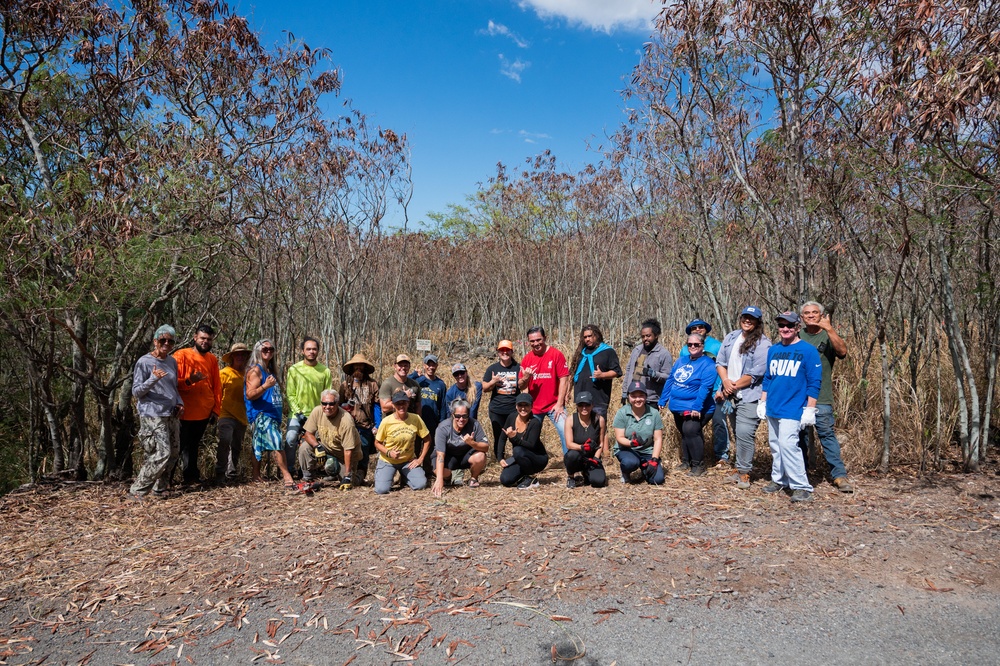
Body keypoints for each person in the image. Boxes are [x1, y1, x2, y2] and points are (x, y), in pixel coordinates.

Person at [758, 311, 822, 502]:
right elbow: (768, 378)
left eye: (789, 326)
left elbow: (814, 382)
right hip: (773, 406)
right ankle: (779, 480)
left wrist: (810, 408)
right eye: (781, 325)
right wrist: (762, 401)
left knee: (788, 445)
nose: (785, 329)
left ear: (797, 328)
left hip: (793, 407)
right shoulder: (774, 350)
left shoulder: (808, 351)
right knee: (776, 446)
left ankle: (802, 486)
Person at [798, 301, 854, 493]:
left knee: (827, 436)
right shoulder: (797, 337)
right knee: (800, 438)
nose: (811, 315)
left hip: (822, 397)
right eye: (807, 313)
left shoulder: (828, 335)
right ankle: (801, 474)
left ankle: (839, 476)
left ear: (821, 315)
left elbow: (842, 352)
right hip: (799, 398)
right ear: (802, 317)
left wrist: (829, 329)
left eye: (815, 312)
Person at [715, 306, 771, 489]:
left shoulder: (763, 343)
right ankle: (739, 469)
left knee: (745, 433)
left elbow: (757, 373)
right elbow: (720, 362)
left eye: (752, 318)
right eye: (745, 317)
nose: (747, 321)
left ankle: (744, 472)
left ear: (758, 322)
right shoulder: (731, 337)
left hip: (749, 395)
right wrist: (725, 381)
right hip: (731, 395)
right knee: (737, 432)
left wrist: (733, 386)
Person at [129, 325, 184, 499]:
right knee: (162, 452)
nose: (166, 344)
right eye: (162, 340)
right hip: (152, 412)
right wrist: (153, 379)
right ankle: (138, 490)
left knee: (174, 453)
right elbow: (136, 391)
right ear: (155, 341)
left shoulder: (171, 361)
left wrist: (180, 403)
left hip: (171, 412)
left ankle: (159, 489)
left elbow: (173, 387)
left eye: (170, 341)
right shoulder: (144, 362)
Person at [659, 333, 718, 476]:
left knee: (691, 430)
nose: (692, 347)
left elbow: (705, 388)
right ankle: (687, 461)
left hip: (697, 407)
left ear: (702, 346)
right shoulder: (681, 361)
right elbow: (671, 380)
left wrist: (697, 407)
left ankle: (699, 465)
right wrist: (663, 399)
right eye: (689, 344)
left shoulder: (708, 364)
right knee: (685, 432)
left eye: (696, 344)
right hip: (677, 406)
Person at [174, 324, 222, 486]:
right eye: (202, 338)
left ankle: (191, 477)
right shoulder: (181, 356)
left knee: (193, 446)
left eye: (208, 339)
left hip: (203, 411)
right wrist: (189, 381)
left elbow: (217, 386)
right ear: (195, 337)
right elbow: (172, 383)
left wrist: (216, 409)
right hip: (183, 411)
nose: (205, 341)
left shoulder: (212, 359)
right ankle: (166, 479)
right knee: (177, 446)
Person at [244, 339, 295, 487]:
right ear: (257, 351)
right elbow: (250, 394)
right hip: (262, 415)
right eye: (264, 349)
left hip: (273, 415)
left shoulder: (269, 370)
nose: (268, 352)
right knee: (277, 443)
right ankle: (287, 476)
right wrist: (265, 386)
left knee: (258, 445)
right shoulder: (255, 371)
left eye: (271, 349)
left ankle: (256, 475)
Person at [679, 319, 728, 467]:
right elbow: (683, 371)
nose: (698, 329)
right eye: (694, 327)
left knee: (719, 423)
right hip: (695, 394)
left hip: (716, 393)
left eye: (701, 327)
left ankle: (722, 456)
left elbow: (725, 367)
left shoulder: (717, 346)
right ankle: (696, 457)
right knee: (693, 425)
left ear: (706, 329)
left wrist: (721, 389)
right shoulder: (685, 349)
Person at [518, 326, 570, 453]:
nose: (536, 343)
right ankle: (531, 465)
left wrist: (560, 404)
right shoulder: (527, 359)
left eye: (538, 340)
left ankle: (571, 466)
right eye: (532, 341)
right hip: (534, 408)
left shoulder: (556, 355)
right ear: (528, 342)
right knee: (527, 437)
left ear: (545, 338)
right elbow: (520, 386)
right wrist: (526, 377)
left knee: (567, 431)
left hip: (554, 405)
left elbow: (564, 378)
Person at [285, 337, 332, 475]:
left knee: (322, 441)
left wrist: (322, 413)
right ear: (302, 351)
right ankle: (289, 471)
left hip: (318, 415)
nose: (311, 352)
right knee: (291, 438)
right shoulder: (294, 370)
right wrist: (298, 412)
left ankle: (318, 470)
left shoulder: (325, 371)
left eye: (314, 349)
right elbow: (290, 394)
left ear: (318, 351)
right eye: (308, 349)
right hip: (296, 414)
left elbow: (327, 395)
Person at [298, 389, 361, 488]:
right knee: (304, 447)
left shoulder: (346, 421)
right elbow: (308, 434)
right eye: (324, 403)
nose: (327, 407)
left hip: (344, 455)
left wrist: (347, 476)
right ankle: (308, 477)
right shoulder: (317, 411)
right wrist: (317, 446)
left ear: (337, 404)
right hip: (327, 448)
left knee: (350, 483)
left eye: (331, 404)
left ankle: (358, 473)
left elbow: (348, 450)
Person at [373, 392, 431, 494]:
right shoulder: (386, 421)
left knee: (420, 485)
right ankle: (387, 475)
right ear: (393, 405)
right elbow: (377, 443)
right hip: (388, 461)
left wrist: (420, 459)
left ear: (408, 403)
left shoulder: (415, 418)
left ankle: (405, 476)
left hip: (408, 461)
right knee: (381, 490)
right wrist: (389, 452)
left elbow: (427, 439)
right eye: (398, 403)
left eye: (404, 403)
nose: (401, 406)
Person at [432, 399, 489, 496]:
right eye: (458, 416)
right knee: (439, 471)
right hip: (448, 457)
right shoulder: (443, 428)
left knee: (480, 456)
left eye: (465, 416)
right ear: (452, 414)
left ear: (468, 414)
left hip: (465, 457)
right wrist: (439, 479)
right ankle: (447, 478)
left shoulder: (474, 424)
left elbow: (486, 447)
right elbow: (440, 455)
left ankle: (473, 479)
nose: (461, 419)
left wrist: (472, 443)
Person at [339, 352, 381, 483]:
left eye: (361, 366)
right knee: (348, 449)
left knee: (363, 450)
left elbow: (377, 406)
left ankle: (360, 475)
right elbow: (339, 405)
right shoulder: (345, 385)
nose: (358, 369)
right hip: (349, 424)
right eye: (355, 366)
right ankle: (347, 473)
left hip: (366, 425)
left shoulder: (372, 384)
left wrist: (378, 425)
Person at [613, 381, 666, 484]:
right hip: (627, 449)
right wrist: (632, 443)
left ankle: (645, 469)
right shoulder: (622, 413)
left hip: (647, 452)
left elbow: (658, 439)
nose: (637, 399)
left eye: (641, 396)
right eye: (633, 396)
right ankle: (625, 471)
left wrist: (654, 460)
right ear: (628, 397)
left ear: (646, 397)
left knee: (657, 480)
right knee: (630, 463)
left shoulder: (654, 413)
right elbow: (619, 437)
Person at [215, 343, 250, 485]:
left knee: (236, 446)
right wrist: (214, 412)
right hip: (225, 414)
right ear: (232, 356)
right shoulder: (224, 373)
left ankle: (231, 474)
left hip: (242, 415)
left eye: (243, 354)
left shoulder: (248, 374)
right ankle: (220, 474)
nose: (240, 357)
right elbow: (217, 394)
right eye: (237, 354)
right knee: (225, 441)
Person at [568, 324, 621, 416]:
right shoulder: (580, 353)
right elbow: (572, 374)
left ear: (597, 335)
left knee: (598, 427)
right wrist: (568, 391)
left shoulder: (608, 351)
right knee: (582, 428)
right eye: (585, 337)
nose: (587, 339)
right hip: (581, 399)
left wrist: (602, 375)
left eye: (590, 336)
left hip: (598, 400)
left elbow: (616, 371)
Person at [481, 340, 521, 462]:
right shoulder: (492, 369)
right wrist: (493, 381)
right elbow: (485, 388)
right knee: (498, 435)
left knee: (515, 434)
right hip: (496, 409)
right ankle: (499, 459)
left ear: (512, 352)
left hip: (513, 409)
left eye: (507, 350)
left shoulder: (518, 367)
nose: (505, 353)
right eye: (502, 350)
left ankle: (517, 457)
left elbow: (523, 386)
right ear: (498, 352)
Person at [499, 393, 549, 489]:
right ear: (516, 406)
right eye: (520, 405)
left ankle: (531, 479)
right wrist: (500, 458)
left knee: (517, 450)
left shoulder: (535, 423)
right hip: (520, 457)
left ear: (531, 406)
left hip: (537, 458)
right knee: (505, 480)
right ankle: (523, 477)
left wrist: (514, 438)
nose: (523, 408)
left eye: (526, 405)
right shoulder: (511, 417)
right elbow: (502, 438)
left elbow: (531, 445)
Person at [621, 319, 674, 408]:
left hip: (650, 399)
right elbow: (629, 371)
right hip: (633, 396)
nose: (645, 339)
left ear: (656, 335)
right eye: (643, 336)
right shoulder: (636, 350)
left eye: (648, 336)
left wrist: (654, 374)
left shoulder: (663, 354)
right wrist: (625, 392)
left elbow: (669, 377)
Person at [563, 392, 607, 488]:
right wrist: (582, 447)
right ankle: (571, 476)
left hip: (592, 457)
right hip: (577, 455)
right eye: (580, 405)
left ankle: (587, 473)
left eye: (587, 404)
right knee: (571, 456)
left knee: (599, 482)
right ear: (577, 406)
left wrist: (596, 458)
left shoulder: (600, 420)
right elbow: (569, 444)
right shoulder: (570, 420)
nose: (584, 408)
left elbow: (601, 442)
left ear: (592, 405)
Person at [411, 354, 448, 440]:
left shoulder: (441, 384)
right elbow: (403, 380)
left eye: (433, 365)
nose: (431, 367)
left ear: (437, 366)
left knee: (430, 447)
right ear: (424, 365)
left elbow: (443, 405)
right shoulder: (418, 380)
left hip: (432, 421)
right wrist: (414, 374)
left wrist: (442, 422)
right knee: (415, 447)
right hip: (416, 420)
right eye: (428, 365)